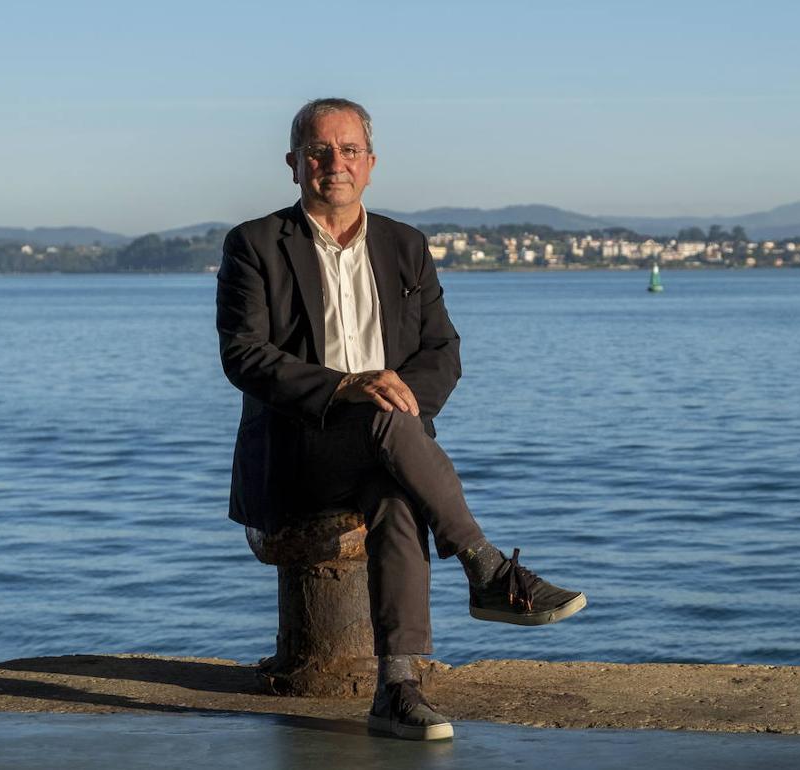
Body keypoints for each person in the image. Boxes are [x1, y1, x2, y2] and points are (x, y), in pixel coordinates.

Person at [216, 98, 585, 741]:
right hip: (297, 452)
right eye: (319, 150)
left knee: (393, 491)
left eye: (350, 150)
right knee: (387, 428)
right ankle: (487, 569)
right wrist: (353, 386)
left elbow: (443, 351)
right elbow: (244, 356)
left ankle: (396, 688)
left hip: (388, 448)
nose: (336, 163)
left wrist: (397, 400)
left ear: (371, 163)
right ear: (294, 163)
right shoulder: (254, 244)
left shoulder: (405, 245)